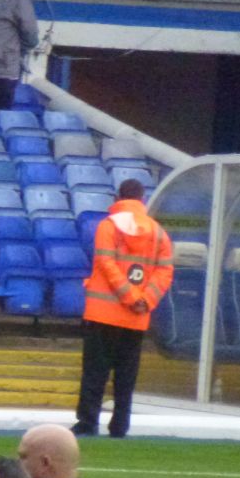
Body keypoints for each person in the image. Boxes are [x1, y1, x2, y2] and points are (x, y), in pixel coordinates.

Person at [73, 178, 174, 438]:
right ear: (142, 199)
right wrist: (144, 299)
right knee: (126, 374)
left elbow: (106, 263)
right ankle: (120, 425)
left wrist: (127, 295)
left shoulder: (108, 226)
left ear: (119, 196)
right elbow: (165, 271)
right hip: (136, 317)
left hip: (103, 313)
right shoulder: (158, 232)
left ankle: (88, 422)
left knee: (95, 371)